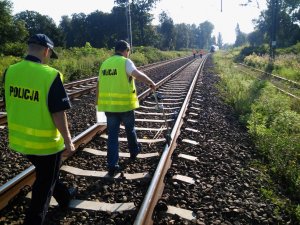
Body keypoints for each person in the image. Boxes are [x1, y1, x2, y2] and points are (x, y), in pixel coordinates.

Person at [3, 33, 76, 225]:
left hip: (20, 140)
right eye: (50, 54)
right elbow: (58, 114)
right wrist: (68, 141)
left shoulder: (10, 71)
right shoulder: (50, 75)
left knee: (47, 174)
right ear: (46, 51)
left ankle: (65, 198)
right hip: (47, 146)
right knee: (43, 189)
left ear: (29, 48)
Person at [96, 40, 155, 176]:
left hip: (109, 107)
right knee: (130, 129)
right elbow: (136, 74)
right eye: (128, 52)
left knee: (112, 136)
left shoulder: (105, 64)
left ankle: (112, 165)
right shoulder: (125, 62)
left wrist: (98, 105)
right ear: (126, 50)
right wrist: (150, 82)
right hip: (125, 106)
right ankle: (134, 152)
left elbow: (98, 85)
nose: (128, 54)